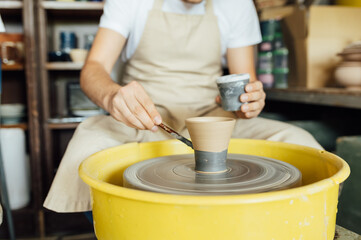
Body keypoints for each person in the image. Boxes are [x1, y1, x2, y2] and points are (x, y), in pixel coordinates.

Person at [44, 0, 322, 213]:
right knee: (86, 147)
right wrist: (112, 96)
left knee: (301, 143)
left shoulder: (237, 4)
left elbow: (243, 86)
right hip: (145, 116)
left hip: (213, 116)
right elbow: (93, 68)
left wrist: (249, 102)